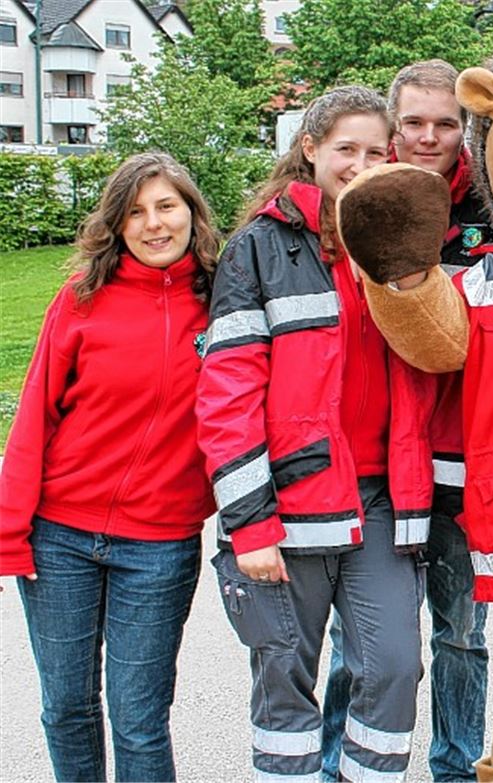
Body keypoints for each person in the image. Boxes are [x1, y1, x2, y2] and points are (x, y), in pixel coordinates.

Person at [196, 85, 424, 782]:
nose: (359, 164)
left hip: (382, 500)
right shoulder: (258, 248)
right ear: (310, 150)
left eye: (372, 151)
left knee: (394, 666)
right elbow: (226, 394)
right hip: (288, 508)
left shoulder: (394, 238)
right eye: (343, 149)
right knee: (285, 682)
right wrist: (250, 522)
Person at [0, 152, 218, 782]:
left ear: (191, 212)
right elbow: (34, 418)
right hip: (59, 536)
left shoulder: (223, 304)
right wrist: (13, 533)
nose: (153, 224)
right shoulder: (82, 300)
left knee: (140, 718)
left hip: (158, 546)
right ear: (117, 226)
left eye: (166, 206)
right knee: (66, 707)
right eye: (135, 212)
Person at [321, 58, 493, 783]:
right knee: (362, 639)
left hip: (461, 461)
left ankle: (455, 767)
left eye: (445, 124)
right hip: (372, 462)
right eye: (415, 123)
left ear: (466, 131)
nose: (429, 137)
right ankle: (339, 762)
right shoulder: (357, 205)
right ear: (394, 127)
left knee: (461, 633)